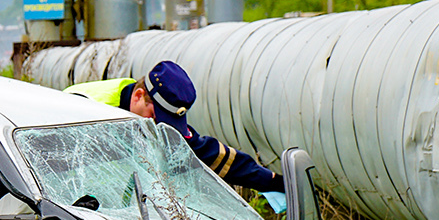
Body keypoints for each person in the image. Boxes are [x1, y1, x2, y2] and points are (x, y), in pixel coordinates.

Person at [66, 60, 286, 195]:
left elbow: (207, 153)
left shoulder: (155, 120)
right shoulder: (87, 108)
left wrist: (274, 182)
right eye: (154, 116)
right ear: (139, 95)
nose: (157, 126)